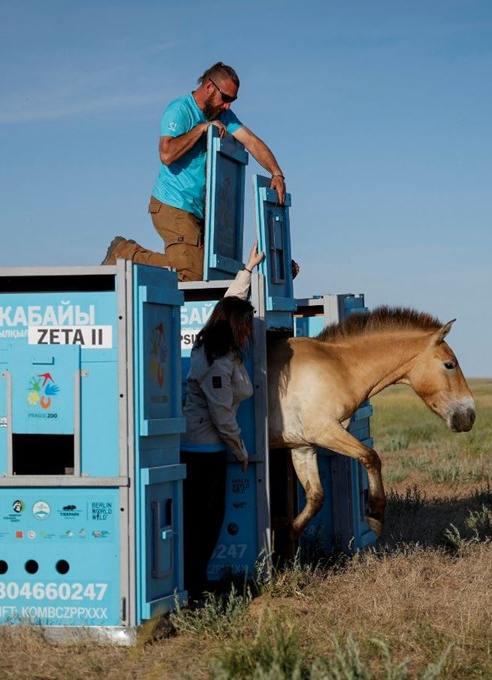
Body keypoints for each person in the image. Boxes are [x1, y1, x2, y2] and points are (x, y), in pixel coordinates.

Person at [102, 62, 285, 282]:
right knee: (193, 274)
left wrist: (277, 173)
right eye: (225, 98)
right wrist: (200, 129)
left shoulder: (224, 115)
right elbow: (166, 154)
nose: (227, 106)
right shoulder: (180, 110)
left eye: (232, 101)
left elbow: (252, 142)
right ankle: (125, 253)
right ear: (209, 87)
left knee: (210, 274)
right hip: (173, 204)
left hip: (201, 211)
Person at [180, 243, 264, 595]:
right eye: (246, 325)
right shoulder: (217, 359)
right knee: (204, 521)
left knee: (203, 520)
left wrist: (247, 269)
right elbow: (221, 416)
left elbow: (228, 303)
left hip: (203, 448)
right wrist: (241, 451)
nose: (248, 331)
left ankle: (192, 583)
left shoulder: (214, 343)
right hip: (203, 451)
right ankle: (193, 587)